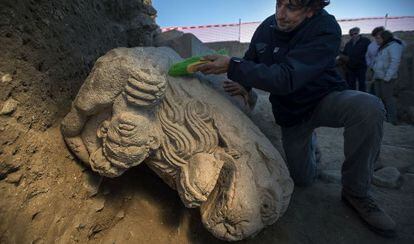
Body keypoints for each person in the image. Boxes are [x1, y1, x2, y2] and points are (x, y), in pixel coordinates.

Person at [195, 0, 396, 238]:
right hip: (292, 113)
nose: (281, 14)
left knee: (368, 107)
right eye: (279, 3)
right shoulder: (268, 26)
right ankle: (312, 145)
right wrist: (244, 86)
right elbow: (252, 58)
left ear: (312, 9)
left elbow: (287, 78)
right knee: (302, 179)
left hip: (325, 98)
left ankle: (356, 192)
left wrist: (232, 65)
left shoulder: (325, 27)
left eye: (292, 7)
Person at [373, 30, 404, 125]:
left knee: (388, 99)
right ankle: (382, 118)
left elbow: (395, 62)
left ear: (384, 38)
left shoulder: (394, 46)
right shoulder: (383, 47)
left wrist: (388, 77)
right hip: (379, 77)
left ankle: (392, 120)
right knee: (379, 99)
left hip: (387, 78)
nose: (376, 40)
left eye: (378, 38)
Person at [341, 27, 371, 91]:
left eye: (355, 33)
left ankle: (362, 97)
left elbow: (370, 52)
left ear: (358, 33)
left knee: (362, 83)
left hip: (361, 66)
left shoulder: (366, 41)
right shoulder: (348, 44)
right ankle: (353, 98)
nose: (354, 35)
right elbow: (344, 53)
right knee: (351, 84)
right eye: (351, 34)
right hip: (351, 67)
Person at [365, 26, 385, 94]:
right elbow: (367, 56)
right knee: (375, 89)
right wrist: (371, 65)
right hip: (375, 70)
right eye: (377, 34)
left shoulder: (392, 42)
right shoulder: (371, 45)